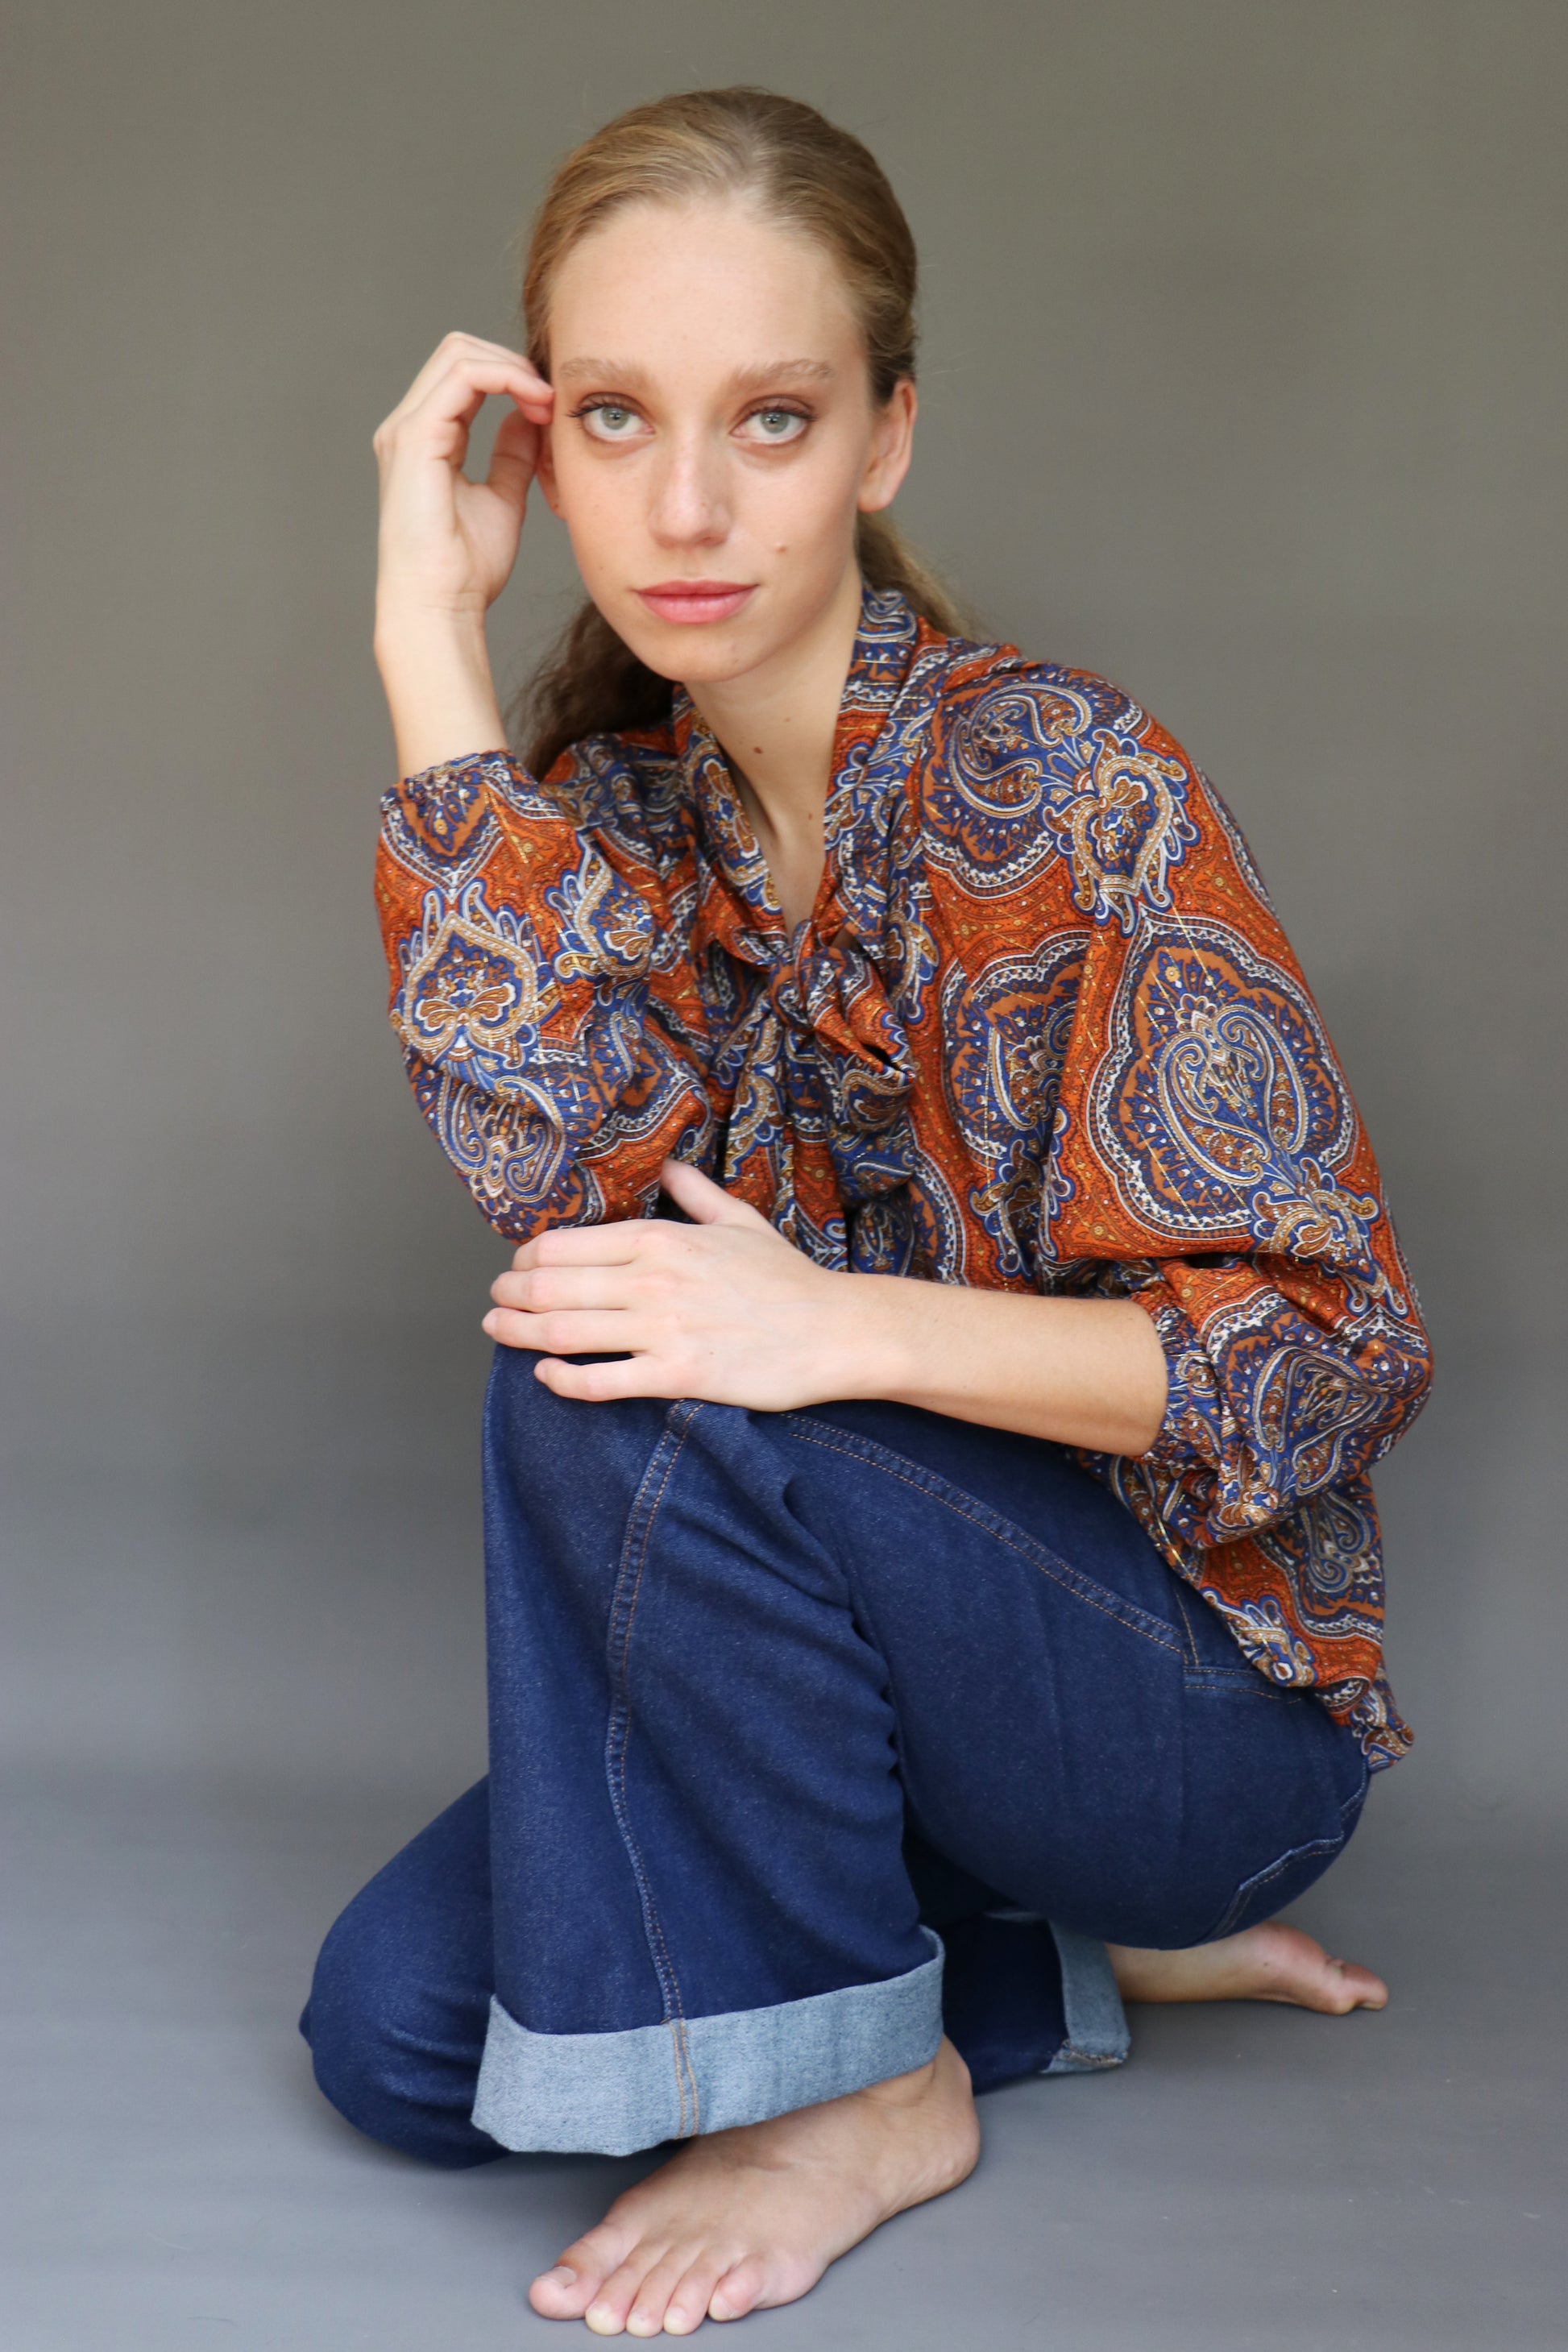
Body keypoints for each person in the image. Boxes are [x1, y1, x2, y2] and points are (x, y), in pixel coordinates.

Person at [301, 87, 1433, 2337]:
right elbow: (550, 1173)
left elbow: (1332, 1356)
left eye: (773, 418)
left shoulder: (1062, 781)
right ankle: (1021, 1971)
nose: (685, 508)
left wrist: (839, 1327)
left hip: (1182, 1725)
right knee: (405, 2037)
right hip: (885, 1703)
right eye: (614, 419)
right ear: (546, 449)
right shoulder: (624, 812)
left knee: (629, 1348)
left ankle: (872, 2092)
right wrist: (429, 644)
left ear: (885, 437)